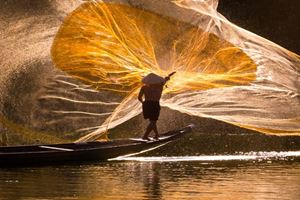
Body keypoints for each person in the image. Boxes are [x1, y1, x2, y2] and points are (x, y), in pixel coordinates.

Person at [138, 72, 176, 140]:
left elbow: (139, 97)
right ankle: (150, 135)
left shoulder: (144, 87)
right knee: (153, 121)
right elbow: (166, 79)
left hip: (147, 104)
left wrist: (143, 103)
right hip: (155, 104)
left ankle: (152, 135)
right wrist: (170, 75)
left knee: (152, 121)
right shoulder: (160, 86)